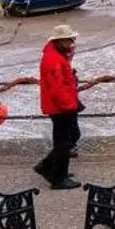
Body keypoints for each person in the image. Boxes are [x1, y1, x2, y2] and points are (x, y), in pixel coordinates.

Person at [34, 24, 82, 189]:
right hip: (61, 107)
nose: (72, 42)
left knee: (67, 138)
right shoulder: (53, 59)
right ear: (60, 41)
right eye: (70, 39)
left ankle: (50, 167)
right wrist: (69, 106)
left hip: (63, 104)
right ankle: (57, 177)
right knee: (65, 141)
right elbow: (57, 87)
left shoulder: (56, 55)